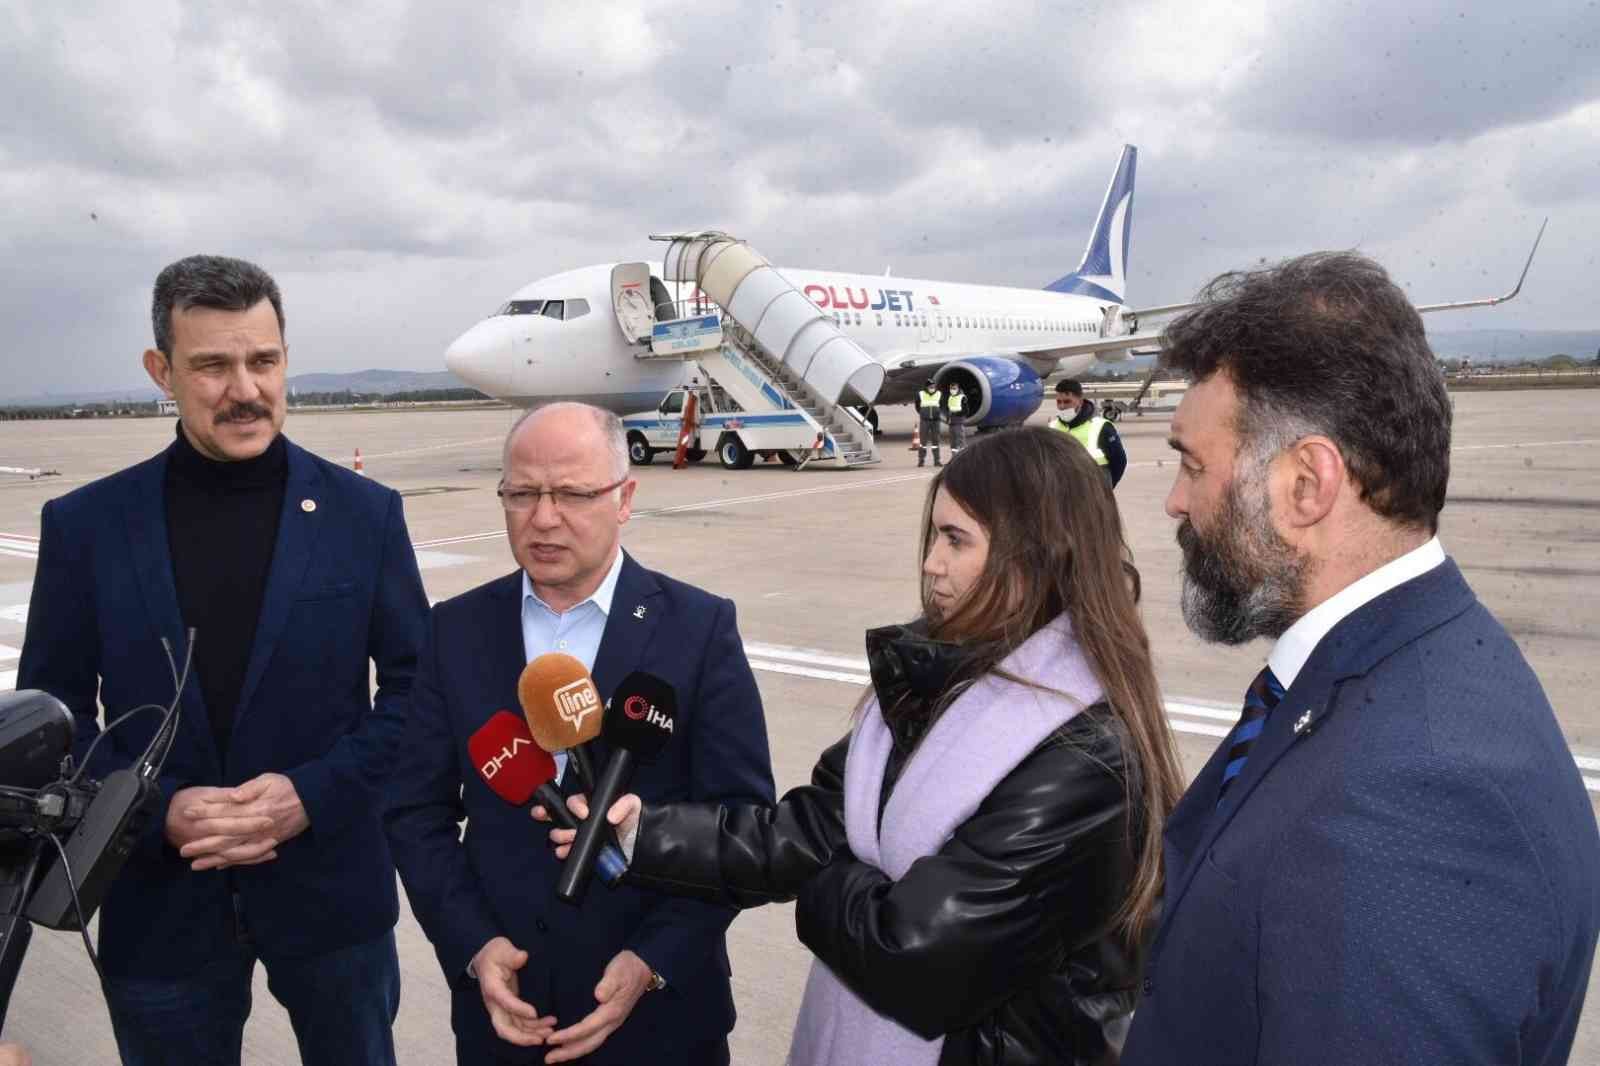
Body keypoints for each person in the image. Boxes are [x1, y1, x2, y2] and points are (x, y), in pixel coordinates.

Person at [544, 427, 1186, 1066]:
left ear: (1036, 556)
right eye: (934, 536)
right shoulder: (934, 685)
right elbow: (807, 828)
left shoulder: (1084, 761)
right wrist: (647, 831)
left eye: (956, 539)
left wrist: (825, 876)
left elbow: (910, 954)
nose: (931, 563)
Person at [1123, 252, 1600, 1065]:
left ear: (1307, 485)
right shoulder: (1401, 661)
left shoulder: (1414, 805)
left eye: (1194, 464)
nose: (1176, 499)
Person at [17, 255, 428, 1065]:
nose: (245, 389)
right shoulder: (86, 527)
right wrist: (154, 810)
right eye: (212, 366)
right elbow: (51, 723)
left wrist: (311, 794)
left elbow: (418, 692)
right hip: (159, 904)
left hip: (331, 895)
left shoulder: (365, 516)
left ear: (285, 360)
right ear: (161, 371)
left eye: (263, 361)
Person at [385, 403, 775, 1066]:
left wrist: (654, 958)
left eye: (572, 493)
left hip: (661, 1023)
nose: (543, 518)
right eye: (522, 493)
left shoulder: (699, 629)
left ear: (624, 498)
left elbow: (743, 824)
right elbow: (415, 812)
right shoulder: (454, 629)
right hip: (506, 1019)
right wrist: (473, 944)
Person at [1049, 379, 1127, 486]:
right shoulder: (1052, 427)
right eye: (1059, 402)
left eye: (1067, 402)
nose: (1062, 406)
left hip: (1093, 489)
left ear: (1080, 401)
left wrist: (1106, 488)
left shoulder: (1101, 427)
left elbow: (1119, 461)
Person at [917, 378, 943, 467]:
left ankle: (937, 461)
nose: (932, 388)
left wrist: (937, 413)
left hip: (936, 421)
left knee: (936, 441)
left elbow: (942, 405)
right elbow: (917, 405)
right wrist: (923, 413)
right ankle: (921, 460)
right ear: (926, 387)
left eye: (933, 386)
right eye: (930, 386)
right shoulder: (921, 394)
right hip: (925, 420)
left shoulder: (939, 394)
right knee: (923, 442)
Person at [945, 381, 967, 452]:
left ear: (958, 389)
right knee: (953, 441)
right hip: (951, 422)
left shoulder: (962, 397)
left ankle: (963, 455)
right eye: (951, 388)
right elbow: (948, 409)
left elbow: (966, 410)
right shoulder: (950, 397)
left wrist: (956, 413)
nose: (952, 390)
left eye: (954, 388)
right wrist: (947, 419)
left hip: (958, 422)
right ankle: (954, 455)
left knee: (960, 439)